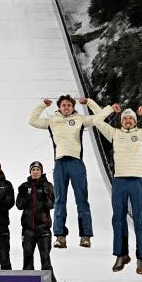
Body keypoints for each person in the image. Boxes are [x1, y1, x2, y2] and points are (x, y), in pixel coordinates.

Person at [94, 104, 142, 275]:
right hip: (119, 181)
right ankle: (121, 255)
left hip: (136, 180)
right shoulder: (114, 133)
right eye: (125, 118)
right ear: (121, 121)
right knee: (118, 219)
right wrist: (111, 109)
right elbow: (97, 120)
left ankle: (141, 259)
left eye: (131, 118)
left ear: (135, 122)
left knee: (140, 219)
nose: (127, 120)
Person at [28, 94, 102, 248]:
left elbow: (99, 117)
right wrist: (42, 105)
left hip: (76, 163)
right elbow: (32, 120)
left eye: (69, 105)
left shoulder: (80, 119)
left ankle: (85, 236)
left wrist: (89, 102)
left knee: (82, 200)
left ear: (73, 107)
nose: (66, 107)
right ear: (59, 107)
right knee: (59, 200)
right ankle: (60, 236)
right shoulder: (52, 120)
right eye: (63, 105)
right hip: (60, 163)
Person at [16, 161, 56, 282]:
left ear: (41, 171)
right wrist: (23, 196)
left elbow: (53, 204)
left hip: (43, 228)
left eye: (38, 170)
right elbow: (19, 205)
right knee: (27, 257)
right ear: (30, 171)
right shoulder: (24, 186)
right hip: (28, 229)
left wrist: (45, 198)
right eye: (33, 169)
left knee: (45, 258)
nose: (35, 172)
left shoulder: (48, 186)